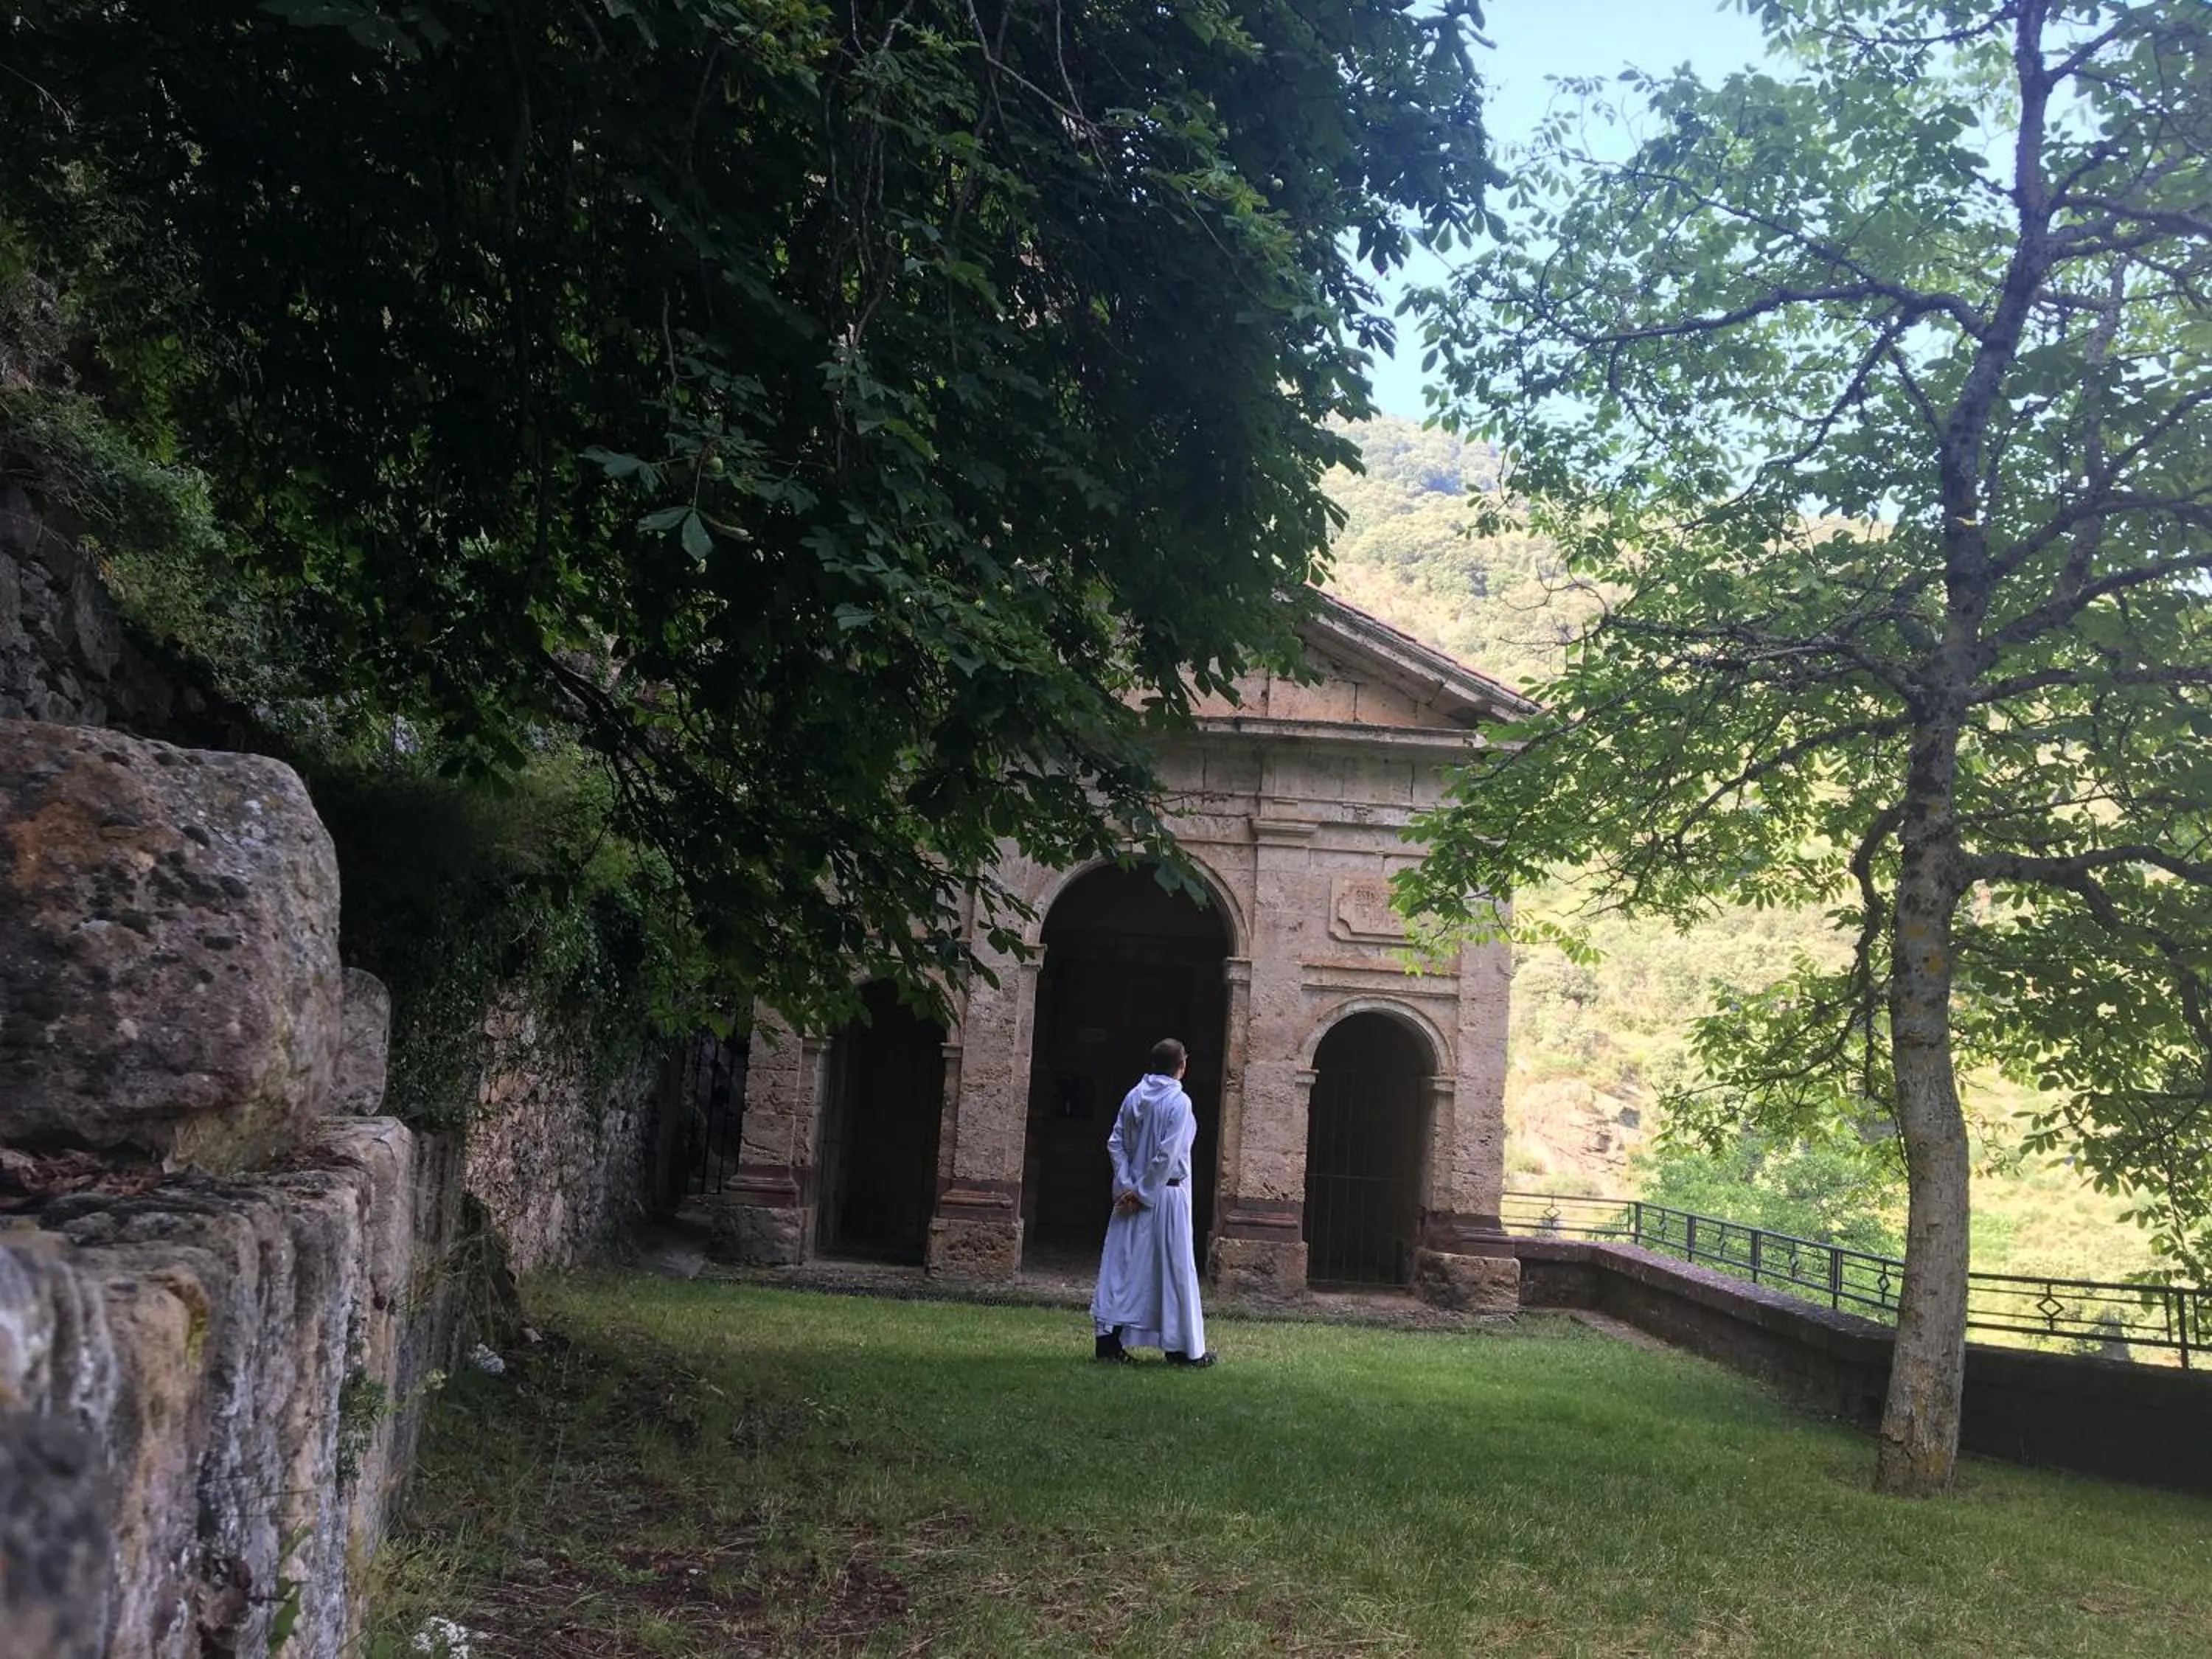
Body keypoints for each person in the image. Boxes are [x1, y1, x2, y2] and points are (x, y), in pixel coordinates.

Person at [1089, 1037, 1214, 1367]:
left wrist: (1129, 1186)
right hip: (1167, 1197)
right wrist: (1142, 1193)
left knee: (1124, 1267)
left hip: (1135, 1195)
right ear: (1182, 1066)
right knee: (1171, 1269)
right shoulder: (1179, 1103)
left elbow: (1116, 1143)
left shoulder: (1134, 1096)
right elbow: (1167, 1155)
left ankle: (1118, 1342)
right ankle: (1179, 1351)